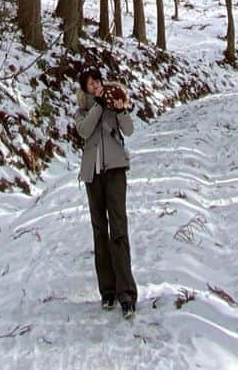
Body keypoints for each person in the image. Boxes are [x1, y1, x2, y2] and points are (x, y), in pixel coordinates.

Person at [75, 65, 138, 318]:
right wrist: (99, 105)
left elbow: (129, 129)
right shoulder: (82, 111)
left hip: (115, 170)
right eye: (90, 84)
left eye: (97, 81)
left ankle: (127, 293)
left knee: (119, 229)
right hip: (93, 174)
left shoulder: (113, 102)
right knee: (100, 230)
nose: (96, 86)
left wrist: (120, 109)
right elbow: (84, 130)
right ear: (84, 88)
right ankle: (108, 291)